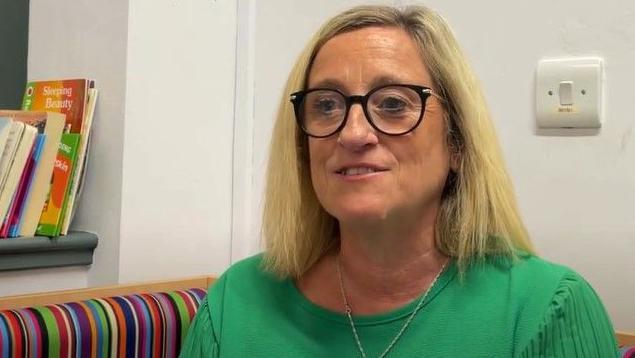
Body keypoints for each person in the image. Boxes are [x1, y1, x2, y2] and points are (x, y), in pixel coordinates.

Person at [181, 5, 618, 357]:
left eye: (392, 104)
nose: (353, 133)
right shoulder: (235, 303)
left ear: (458, 143)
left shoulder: (545, 308)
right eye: (327, 106)